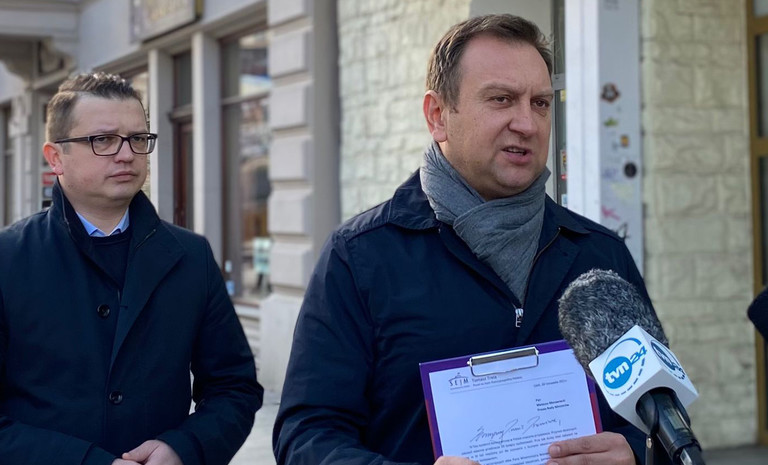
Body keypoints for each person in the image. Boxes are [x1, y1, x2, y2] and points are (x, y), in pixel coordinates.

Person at [273, 14, 670, 465]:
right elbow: (306, 436)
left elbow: (665, 423)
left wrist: (637, 453)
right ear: (438, 116)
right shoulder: (360, 258)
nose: (527, 123)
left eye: (541, 103)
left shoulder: (600, 255)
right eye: (502, 99)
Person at [0, 72, 263, 464]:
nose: (126, 154)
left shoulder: (191, 257)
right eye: (103, 140)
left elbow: (234, 387)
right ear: (55, 157)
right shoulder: (8, 258)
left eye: (138, 139)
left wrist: (184, 447)